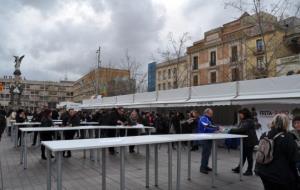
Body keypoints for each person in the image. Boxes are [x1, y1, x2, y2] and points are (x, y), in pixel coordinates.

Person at [255, 114, 298, 190]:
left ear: (273, 122)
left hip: (263, 171)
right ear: (286, 124)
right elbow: (294, 158)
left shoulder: (265, 134)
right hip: (280, 175)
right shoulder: (288, 137)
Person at [229, 108, 258, 176]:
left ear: (244, 114)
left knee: (249, 156)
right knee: (243, 155)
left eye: (240, 114)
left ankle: (249, 170)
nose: (239, 115)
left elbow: (242, 129)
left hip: (249, 141)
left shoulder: (249, 121)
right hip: (245, 140)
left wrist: (230, 130)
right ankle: (239, 168)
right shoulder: (244, 121)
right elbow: (239, 129)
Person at [197, 108, 219, 174]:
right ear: (206, 113)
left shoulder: (207, 119)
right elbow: (206, 128)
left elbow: (210, 126)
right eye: (210, 113)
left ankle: (205, 166)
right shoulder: (203, 118)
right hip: (204, 138)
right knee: (205, 153)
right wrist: (215, 129)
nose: (212, 115)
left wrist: (216, 128)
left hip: (208, 137)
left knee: (207, 153)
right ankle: (202, 168)